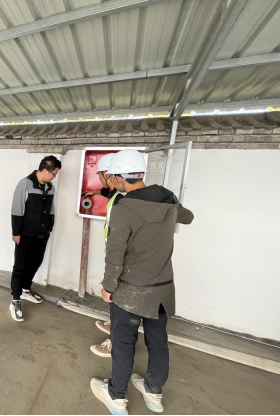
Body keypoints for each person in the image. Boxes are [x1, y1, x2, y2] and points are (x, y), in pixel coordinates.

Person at [90, 150, 194, 416]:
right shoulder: (168, 198)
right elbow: (188, 217)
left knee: (123, 344)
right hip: (161, 291)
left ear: (119, 178)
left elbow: (115, 255)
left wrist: (108, 287)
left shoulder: (124, 208)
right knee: (158, 342)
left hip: (129, 291)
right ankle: (153, 391)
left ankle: (116, 396)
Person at [10, 156, 62, 322]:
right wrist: (16, 232)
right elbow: (17, 209)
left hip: (42, 234)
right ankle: (15, 300)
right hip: (25, 234)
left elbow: (51, 209)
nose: (54, 177)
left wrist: (49, 227)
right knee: (20, 266)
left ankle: (26, 289)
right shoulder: (25, 184)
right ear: (45, 170)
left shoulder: (50, 187)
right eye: (54, 173)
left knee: (36, 262)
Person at [86, 153, 124, 359]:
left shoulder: (122, 200)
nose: (99, 179)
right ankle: (113, 325)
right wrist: (92, 191)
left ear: (108, 175)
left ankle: (114, 342)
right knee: (115, 300)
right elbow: (105, 192)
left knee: (117, 298)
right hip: (115, 255)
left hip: (120, 259)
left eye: (100, 175)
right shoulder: (116, 194)